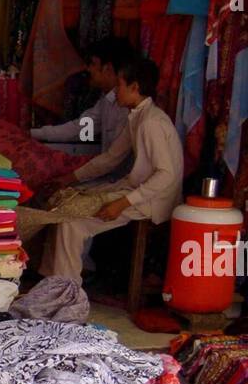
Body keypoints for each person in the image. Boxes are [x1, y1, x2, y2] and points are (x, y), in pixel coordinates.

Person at [36, 56, 184, 280]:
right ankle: (50, 284)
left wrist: (122, 203)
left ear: (135, 87)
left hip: (153, 200)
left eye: (120, 85)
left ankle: (66, 294)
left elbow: (166, 175)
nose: (116, 92)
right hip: (137, 190)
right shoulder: (137, 117)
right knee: (62, 207)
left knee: (71, 223)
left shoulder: (151, 123)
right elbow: (111, 158)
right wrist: (69, 178)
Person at [31, 36, 134, 159]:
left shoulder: (126, 107)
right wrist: (34, 133)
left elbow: (115, 159)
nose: (88, 69)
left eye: (93, 64)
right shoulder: (106, 101)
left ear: (108, 68)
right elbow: (79, 130)